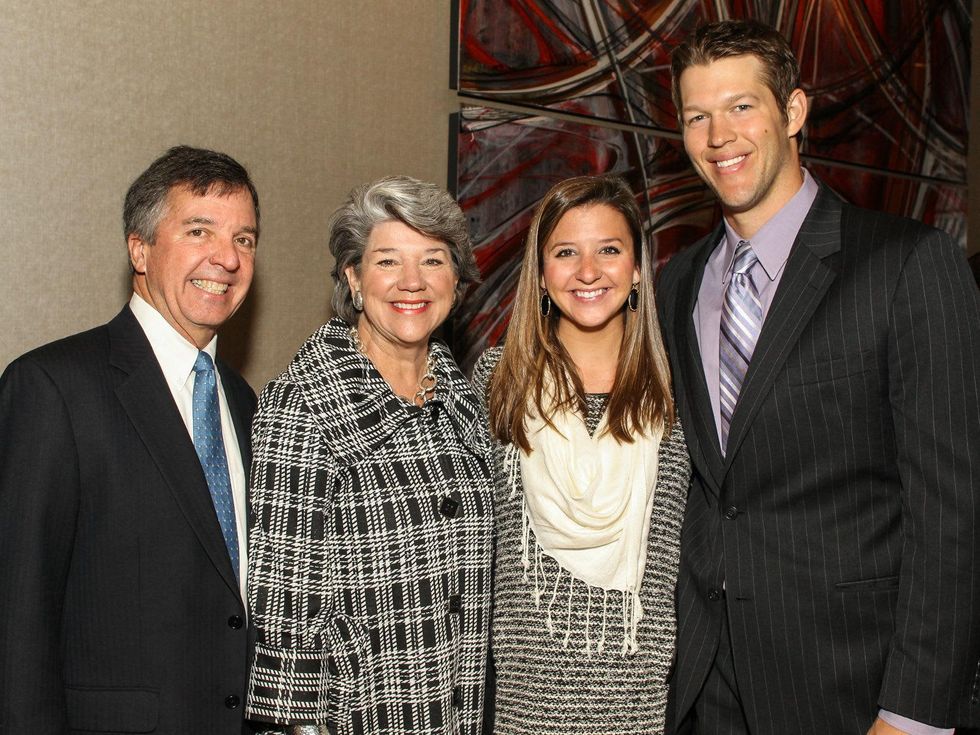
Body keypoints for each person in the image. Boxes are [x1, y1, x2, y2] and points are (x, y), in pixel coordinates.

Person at [658, 19, 980, 734]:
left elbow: (953, 513)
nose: (719, 137)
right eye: (697, 116)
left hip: (851, 687)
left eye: (742, 107)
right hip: (703, 688)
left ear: (794, 112)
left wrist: (914, 712)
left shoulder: (907, 264)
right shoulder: (676, 283)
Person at [0, 145, 260, 732]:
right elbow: (17, 620)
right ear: (138, 249)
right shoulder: (52, 388)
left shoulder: (246, 403)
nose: (226, 258)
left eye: (244, 239)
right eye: (200, 230)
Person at [245, 176, 493, 734]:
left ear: (456, 278)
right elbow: (282, 615)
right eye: (388, 261)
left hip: (461, 714)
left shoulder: (465, 401)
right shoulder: (304, 404)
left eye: (433, 260)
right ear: (354, 279)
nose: (412, 282)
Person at [473, 174, 691, 734]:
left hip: (643, 708)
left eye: (609, 251)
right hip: (520, 709)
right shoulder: (497, 381)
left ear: (638, 267)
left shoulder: (681, 395)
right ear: (542, 274)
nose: (588, 271)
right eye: (566, 252)